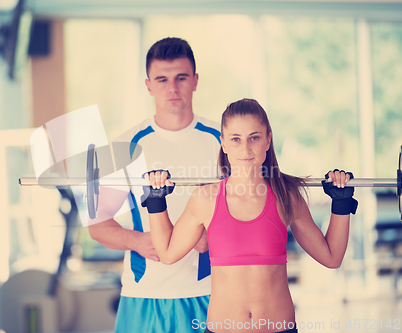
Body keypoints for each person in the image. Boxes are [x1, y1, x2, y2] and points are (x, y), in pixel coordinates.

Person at [143, 98, 358, 333]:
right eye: (235, 139)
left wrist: (341, 204)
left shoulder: (287, 197)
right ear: (223, 143)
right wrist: (156, 201)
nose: (245, 149)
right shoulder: (204, 199)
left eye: (254, 138)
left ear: (268, 140)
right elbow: (167, 253)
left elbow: (331, 257)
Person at [88, 37, 221, 332]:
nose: (172, 88)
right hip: (144, 294)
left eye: (181, 78)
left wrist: (211, 235)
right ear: (148, 85)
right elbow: (97, 226)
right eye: (162, 79)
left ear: (195, 81)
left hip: (211, 293)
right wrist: (136, 241)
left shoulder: (223, 141)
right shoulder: (124, 144)